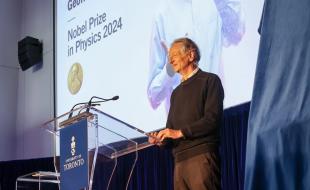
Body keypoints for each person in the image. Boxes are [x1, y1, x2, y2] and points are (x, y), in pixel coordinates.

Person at [149, 37, 224, 190]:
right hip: (179, 162)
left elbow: (212, 120)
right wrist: (161, 139)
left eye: (175, 54)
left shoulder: (210, 80)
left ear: (191, 55)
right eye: (169, 57)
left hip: (201, 157)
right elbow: (171, 129)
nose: (171, 59)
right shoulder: (175, 93)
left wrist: (179, 132)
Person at [147, 0, 243, 112]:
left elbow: (236, 36)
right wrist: (170, 70)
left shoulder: (214, 5)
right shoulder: (162, 15)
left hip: (217, 117)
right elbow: (153, 97)